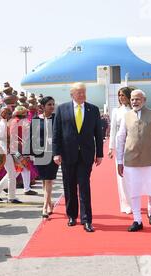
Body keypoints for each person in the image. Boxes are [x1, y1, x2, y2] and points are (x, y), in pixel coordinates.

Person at [53, 82, 103, 232]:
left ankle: (87, 220)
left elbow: (98, 134)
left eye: (84, 92)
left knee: (84, 187)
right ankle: (71, 215)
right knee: (69, 187)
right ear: (72, 94)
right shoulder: (62, 109)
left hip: (86, 155)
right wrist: (56, 153)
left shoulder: (93, 109)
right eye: (79, 92)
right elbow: (57, 133)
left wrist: (99, 153)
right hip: (68, 154)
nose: (82, 95)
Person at [116, 90, 151, 232]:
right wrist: (119, 161)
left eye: (138, 99)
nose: (134, 102)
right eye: (133, 99)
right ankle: (137, 220)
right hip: (131, 160)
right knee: (134, 190)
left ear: (144, 100)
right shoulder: (126, 116)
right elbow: (120, 139)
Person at [31, 96, 59, 218]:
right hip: (39, 153)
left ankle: (44, 207)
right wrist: (30, 154)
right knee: (44, 180)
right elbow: (32, 137)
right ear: (42, 107)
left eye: (53, 104)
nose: (52, 106)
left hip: (52, 153)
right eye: (49, 104)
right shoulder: (36, 119)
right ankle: (50, 203)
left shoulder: (57, 119)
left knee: (48, 179)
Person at [0, 107, 22, 204]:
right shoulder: (3, 124)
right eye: (8, 113)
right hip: (5, 152)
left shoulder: (4, 123)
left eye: (10, 113)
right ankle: (11, 197)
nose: (10, 115)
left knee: (12, 172)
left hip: (8, 150)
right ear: (4, 114)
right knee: (12, 173)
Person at [108, 87, 133, 214]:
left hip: (134, 146)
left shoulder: (135, 110)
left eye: (123, 95)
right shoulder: (116, 111)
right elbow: (113, 130)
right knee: (122, 175)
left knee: (133, 175)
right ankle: (126, 203)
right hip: (120, 146)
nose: (121, 97)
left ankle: (134, 201)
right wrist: (111, 147)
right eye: (119, 95)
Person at [9, 106, 38, 196]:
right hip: (21, 148)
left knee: (23, 168)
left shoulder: (12, 122)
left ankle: (26, 188)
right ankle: (1, 188)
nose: (27, 114)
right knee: (22, 167)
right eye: (26, 113)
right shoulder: (24, 122)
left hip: (16, 148)